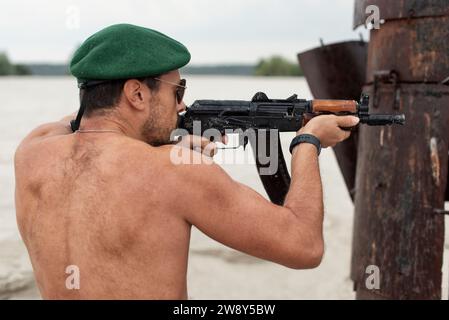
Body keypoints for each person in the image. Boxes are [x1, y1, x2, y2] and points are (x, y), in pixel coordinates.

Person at [14, 24, 359, 299]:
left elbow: (83, 121)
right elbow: (305, 247)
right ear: (136, 94)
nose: (182, 106)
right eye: (177, 92)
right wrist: (308, 142)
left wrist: (161, 133)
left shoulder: (32, 152)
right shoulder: (175, 170)